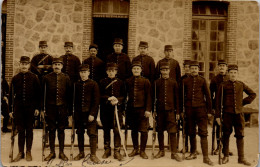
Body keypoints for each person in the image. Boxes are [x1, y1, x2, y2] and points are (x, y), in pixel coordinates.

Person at [215, 64, 256, 166]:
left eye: (235, 73)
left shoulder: (241, 84)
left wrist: (242, 102)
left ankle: (241, 158)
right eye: (231, 73)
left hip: (239, 115)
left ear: (237, 74)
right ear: (228, 73)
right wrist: (217, 116)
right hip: (227, 115)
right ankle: (226, 156)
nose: (233, 74)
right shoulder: (223, 85)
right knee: (226, 135)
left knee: (240, 135)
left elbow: (253, 94)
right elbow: (218, 103)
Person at [180, 60, 213, 166]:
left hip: (201, 110)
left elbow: (208, 97)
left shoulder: (203, 80)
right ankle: (193, 152)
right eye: (192, 68)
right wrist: (181, 111)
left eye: (195, 68)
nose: (193, 70)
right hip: (189, 110)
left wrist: (209, 111)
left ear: (198, 69)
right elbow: (182, 98)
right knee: (191, 132)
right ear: (189, 69)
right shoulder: (185, 81)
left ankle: (205, 157)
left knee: (203, 133)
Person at [9, 56, 41, 162]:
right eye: (22, 64)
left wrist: (37, 108)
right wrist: (10, 110)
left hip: (30, 109)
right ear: (19, 65)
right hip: (18, 109)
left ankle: (28, 152)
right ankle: (20, 152)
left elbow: (38, 95)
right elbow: (11, 96)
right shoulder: (15, 78)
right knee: (21, 131)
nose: (24, 66)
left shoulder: (34, 77)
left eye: (26, 64)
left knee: (29, 131)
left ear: (29, 65)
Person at [42, 58, 72, 161]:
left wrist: (69, 111)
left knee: (61, 130)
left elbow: (69, 95)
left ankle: (61, 152)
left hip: (62, 108)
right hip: (50, 108)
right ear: (52, 66)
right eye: (55, 64)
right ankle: (52, 152)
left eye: (59, 64)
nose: (57, 66)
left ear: (62, 66)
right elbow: (42, 95)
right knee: (51, 129)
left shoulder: (66, 78)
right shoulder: (46, 78)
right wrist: (43, 109)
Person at [154, 62, 182, 162]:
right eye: (163, 70)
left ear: (169, 71)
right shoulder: (157, 82)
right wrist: (154, 111)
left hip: (171, 111)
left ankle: (174, 152)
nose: (164, 72)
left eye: (166, 70)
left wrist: (178, 112)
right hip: (160, 111)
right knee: (160, 130)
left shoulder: (173, 82)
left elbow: (177, 98)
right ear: (160, 71)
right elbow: (154, 98)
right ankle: (161, 150)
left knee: (172, 131)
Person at [73, 64, 101, 163]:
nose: (83, 74)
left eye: (85, 72)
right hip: (79, 114)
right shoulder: (76, 84)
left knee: (92, 133)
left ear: (88, 73)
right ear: (79, 73)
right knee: (80, 133)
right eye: (81, 72)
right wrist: (74, 114)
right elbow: (74, 101)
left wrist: (93, 114)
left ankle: (93, 155)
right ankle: (81, 152)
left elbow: (96, 101)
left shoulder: (94, 84)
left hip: (90, 114)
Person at [99, 63, 126, 161]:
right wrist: (108, 98)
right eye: (109, 71)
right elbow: (99, 95)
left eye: (113, 71)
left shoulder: (120, 82)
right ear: (106, 72)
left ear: (116, 72)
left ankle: (117, 151)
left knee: (117, 129)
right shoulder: (102, 82)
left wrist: (117, 100)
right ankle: (107, 149)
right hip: (105, 109)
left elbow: (124, 96)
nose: (111, 72)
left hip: (117, 110)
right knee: (106, 129)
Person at [126, 61, 152, 159]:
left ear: (141, 70)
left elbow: (149, 96)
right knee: (134, 130)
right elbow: (126, 96)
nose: (136, 70)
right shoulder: (128, 81)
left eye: (138, 69)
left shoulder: (146, 81)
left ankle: (142, 150)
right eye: (134, 69)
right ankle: (135, 149)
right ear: (132, 70)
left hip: (143, 110)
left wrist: (148, 110)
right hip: (131, 110)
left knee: (144, 131)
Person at [30, 41, 53, 128]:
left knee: (46, 97)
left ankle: (45, 119)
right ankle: (36, 119)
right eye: (41, 47)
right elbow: (32, 67)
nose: (43, 49)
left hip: (47, 80)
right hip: (38, 80)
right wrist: (38, 70)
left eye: (44, 47)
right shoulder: (35, 58)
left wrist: (44, 67)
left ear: (47, 48)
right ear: (39, 48)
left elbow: (53, 67)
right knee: (37, 96)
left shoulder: (50, 57)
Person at [209, 59, 230, 155]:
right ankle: (218, 146)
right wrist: (213, 107)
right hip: (218, 106)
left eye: (223, 66)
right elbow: (211, 94)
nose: (222, 67)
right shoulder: (214, 79)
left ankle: (226, 147)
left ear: (226, 68)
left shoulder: (230, 78)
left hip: (228, 106)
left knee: (228, 128)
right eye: (220, 66)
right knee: (218, 127)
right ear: (218, 67)